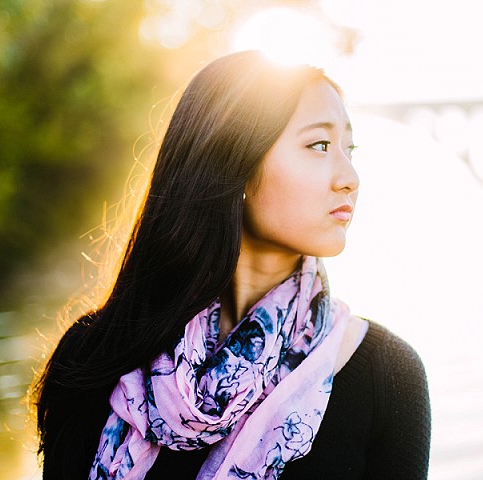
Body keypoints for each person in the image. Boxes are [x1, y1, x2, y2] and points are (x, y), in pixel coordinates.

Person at [31, 50, 431, 479]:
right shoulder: (94, 355)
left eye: (348, 148)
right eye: (319, 145)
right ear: (234, 163)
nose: (349, 177)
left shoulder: (386, 377)